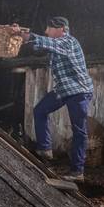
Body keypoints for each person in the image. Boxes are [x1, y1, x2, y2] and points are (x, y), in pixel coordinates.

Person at [17, 17, 93, 182]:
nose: (46, 31)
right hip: (63, 90)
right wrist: (18, 36)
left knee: (79, 131)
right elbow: (39, 46)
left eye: (49, 28)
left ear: (61, 29)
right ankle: (45, 149)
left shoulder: (69, 42)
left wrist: (30, 36)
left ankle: (77, 171)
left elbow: (50, 43)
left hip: (79, 91)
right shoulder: (54, 43)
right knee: (40, 110)